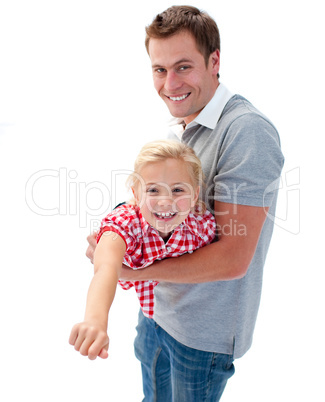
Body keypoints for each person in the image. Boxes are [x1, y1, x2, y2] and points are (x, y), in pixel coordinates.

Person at [85, 5, 284, 401]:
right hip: (159, 314)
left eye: (183, 67)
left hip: (201, 337)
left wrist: (133, 272)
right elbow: (151, 204)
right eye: (159, 70)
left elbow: (233, 258)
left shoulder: (246, 132)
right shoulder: (189, 126)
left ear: (214, 61)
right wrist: (116, 232)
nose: (169, 83)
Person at [70, 139, 216, 360]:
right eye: (153, 190)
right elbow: (106, 269)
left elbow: (218, 262)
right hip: (150, 319)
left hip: (191, 330)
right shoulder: (124, 223)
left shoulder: (201, 225)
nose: (165, 201)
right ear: (137, 195)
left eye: (177, 190)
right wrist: (95, 320)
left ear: (195, 195)